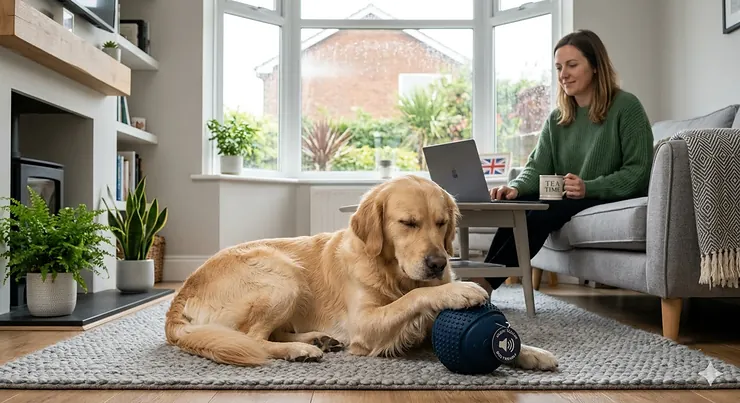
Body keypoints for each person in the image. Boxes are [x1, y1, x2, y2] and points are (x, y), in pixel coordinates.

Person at [483, 29, 654, 290]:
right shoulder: (557, 118)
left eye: (572, 65)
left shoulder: (626, 107)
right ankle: (483, 278)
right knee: (519, 207)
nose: (563, 74)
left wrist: (589, 187)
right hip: (568, 196)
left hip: (605, 194)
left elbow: (638, 171)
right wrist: (515, 188)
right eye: (559, 67)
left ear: (595, 66)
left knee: (544, 211)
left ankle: (482, 284)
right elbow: (537, 167)